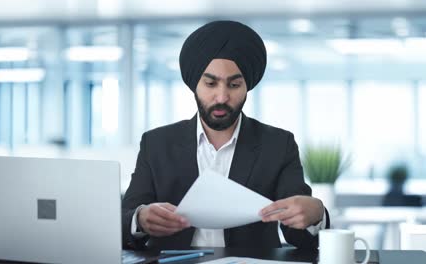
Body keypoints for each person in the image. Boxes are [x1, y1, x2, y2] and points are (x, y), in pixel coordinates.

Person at [122, 20, 329, 250]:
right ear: (195, 84)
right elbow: (123, 221)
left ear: (246, 86)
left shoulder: (278, 145)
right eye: (210, 83)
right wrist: (139, 219)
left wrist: (316, 214)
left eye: (234, 85)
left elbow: (299, 236)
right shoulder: (156, 144)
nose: (221, 97)